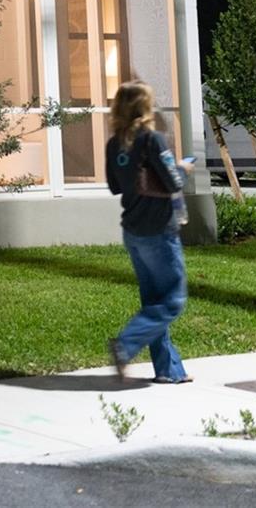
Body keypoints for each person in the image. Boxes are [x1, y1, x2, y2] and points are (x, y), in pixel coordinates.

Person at [105, 80, 193, 383]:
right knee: (172, 301)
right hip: (159, 231)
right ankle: (125, 345)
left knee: (153, 303)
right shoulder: (152, 140)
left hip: (133, 232)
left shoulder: (113, 144)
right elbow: (174, 183)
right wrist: (182, 167)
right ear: (144, 107)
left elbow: (115, 186)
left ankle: (169, 370)